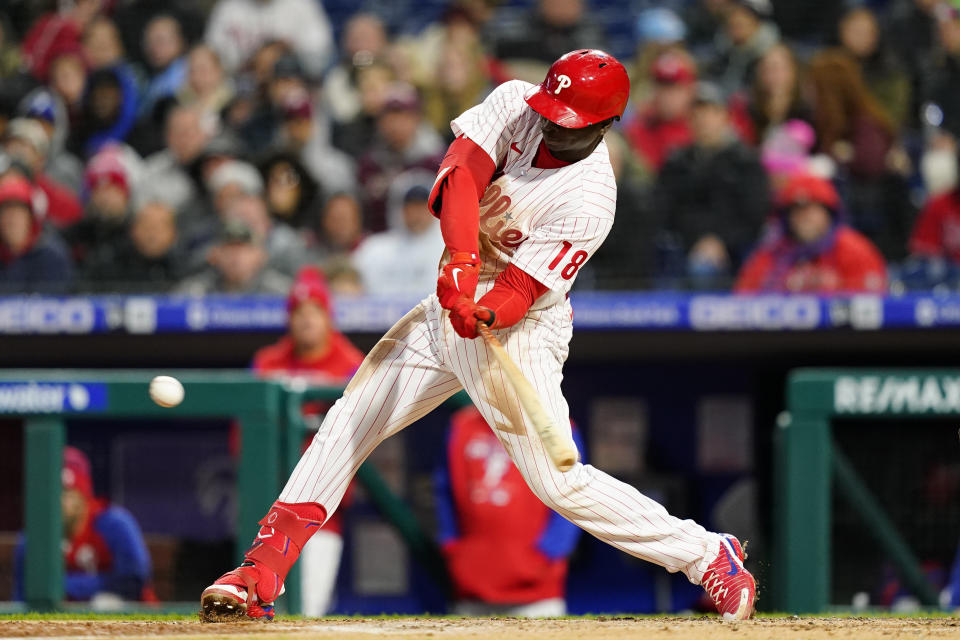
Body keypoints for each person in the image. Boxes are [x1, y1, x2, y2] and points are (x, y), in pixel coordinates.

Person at [198, 49, 756, 623]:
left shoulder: (591, 200)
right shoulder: (518, 103)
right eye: (550, 108)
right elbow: (461, 174)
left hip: (521, 329)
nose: (549, 123)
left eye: (566, 120)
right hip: (456, 295)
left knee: (558, 484)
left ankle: (707, 554)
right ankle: (259, 572)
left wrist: (483, 311)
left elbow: (518, 292)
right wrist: (460, 262)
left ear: (603, 125)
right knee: (349, 420)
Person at [251, 266, 364, 615]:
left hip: (322, 510)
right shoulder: (268, 362)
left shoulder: (352, 364)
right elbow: (246, 438)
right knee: (258, 601)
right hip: (270, 509)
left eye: (314, 311)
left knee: (309, 608)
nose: (306, 320)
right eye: (299, 313)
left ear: (328, 316)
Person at [435, 406, 582, 616]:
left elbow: (574, 494)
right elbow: (444, 491)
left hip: (538, 591)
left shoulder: (559, 426)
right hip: (472, 584)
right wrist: (454, 548)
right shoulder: (462, 425)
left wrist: (547, 553)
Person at [652, 81, 770, 285]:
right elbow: (665, 210)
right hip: (684, 244)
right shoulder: (677, 162)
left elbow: (754, 215)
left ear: (725, 116)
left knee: (702, 268)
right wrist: (697, 239)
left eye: (710, 112)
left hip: (734, 249)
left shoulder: (745, 162)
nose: (703, 119)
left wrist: (720, 241)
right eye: (696, 113)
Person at [13, 446, 155, 603]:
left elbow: (133, 579)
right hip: (63, 624)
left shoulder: (113, 523)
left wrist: (62, 586)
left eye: (65, 493)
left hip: (131, 620)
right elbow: (22, 598)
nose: (55, 501)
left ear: (83, 496)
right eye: (49, 493)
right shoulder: (33, 536)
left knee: (104, 603)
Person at [735, 173, 887, 293]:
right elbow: (743, 298)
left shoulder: (853, 250)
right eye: (796, 210)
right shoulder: (772, 252)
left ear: (828, 213)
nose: (804, 217)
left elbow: (872, 302)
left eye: (811, 209)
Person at [352, 173, 445, 296]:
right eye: (411, 206)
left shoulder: (448, 250)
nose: (417, 213)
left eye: (422, 206)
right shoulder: (373, 249)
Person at [0, 175, 74, 293]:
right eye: (5, 213)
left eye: (18, 212)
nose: (11, 220)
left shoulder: (52, 257)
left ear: (31, 218)